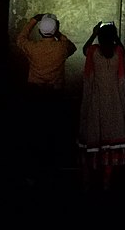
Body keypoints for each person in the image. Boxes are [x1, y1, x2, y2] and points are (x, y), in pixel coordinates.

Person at [16, 12, 77, 185]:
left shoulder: (33, 48)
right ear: (55, 29)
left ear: (41, 31)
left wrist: (33, 21)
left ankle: (33, 172)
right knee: (53, 133)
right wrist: (58, 34)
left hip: (34, 95)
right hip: (54, 96)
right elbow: (72, 48)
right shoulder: (61, 48)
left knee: (34, 133)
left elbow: (20, 39)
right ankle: (51, 171)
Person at [78, 21, 125, 191]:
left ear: (99, 37)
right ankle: (107, 180)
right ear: (113, 37)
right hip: (114, 102)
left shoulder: (93, 51)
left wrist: (93, 33)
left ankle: (89, 179)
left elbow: (84, 52)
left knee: (94, 139)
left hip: (95, 101)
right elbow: (122, 82)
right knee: (110, 142)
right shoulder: (118, 52)